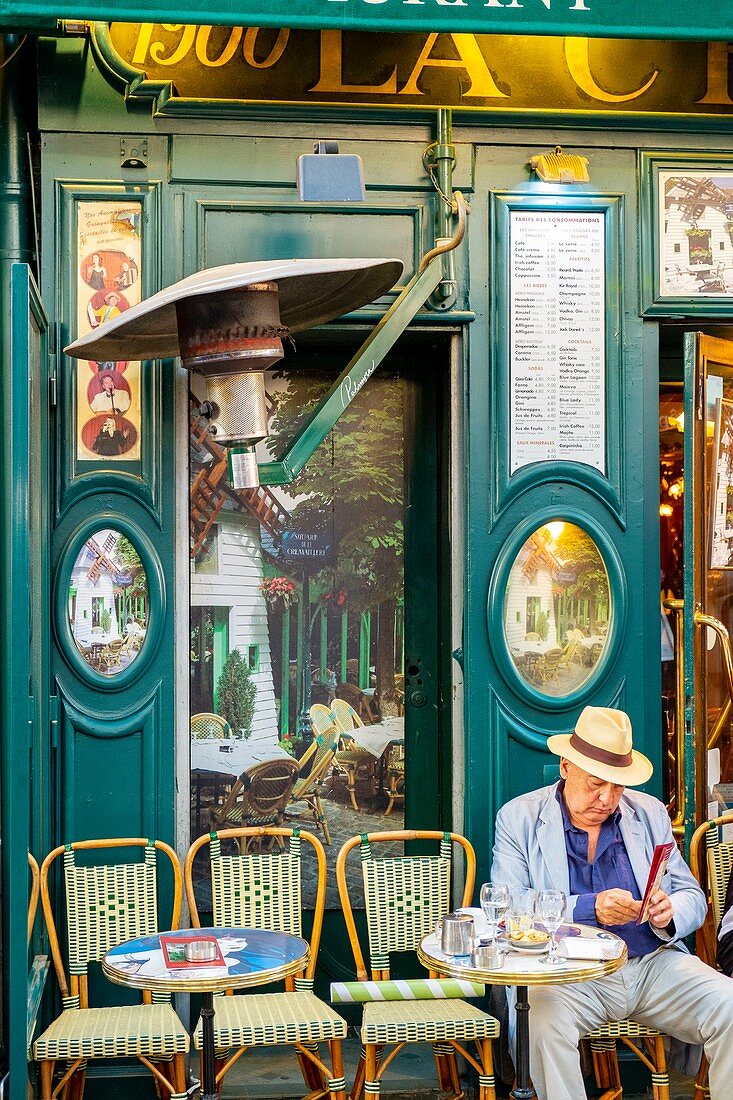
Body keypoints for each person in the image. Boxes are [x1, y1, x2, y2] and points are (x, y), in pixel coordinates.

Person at [491, 705, 733, 1100]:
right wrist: (590, 908)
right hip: (567, 974)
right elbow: (511, 909)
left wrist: (669, 913)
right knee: (540, 1021)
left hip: (652, 966)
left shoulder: (649, 813)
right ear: (566, 767)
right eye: (595, 784)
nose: (607, 799)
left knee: (730, 1004)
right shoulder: (518, 817)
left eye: (617, 786)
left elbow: (692, 896)